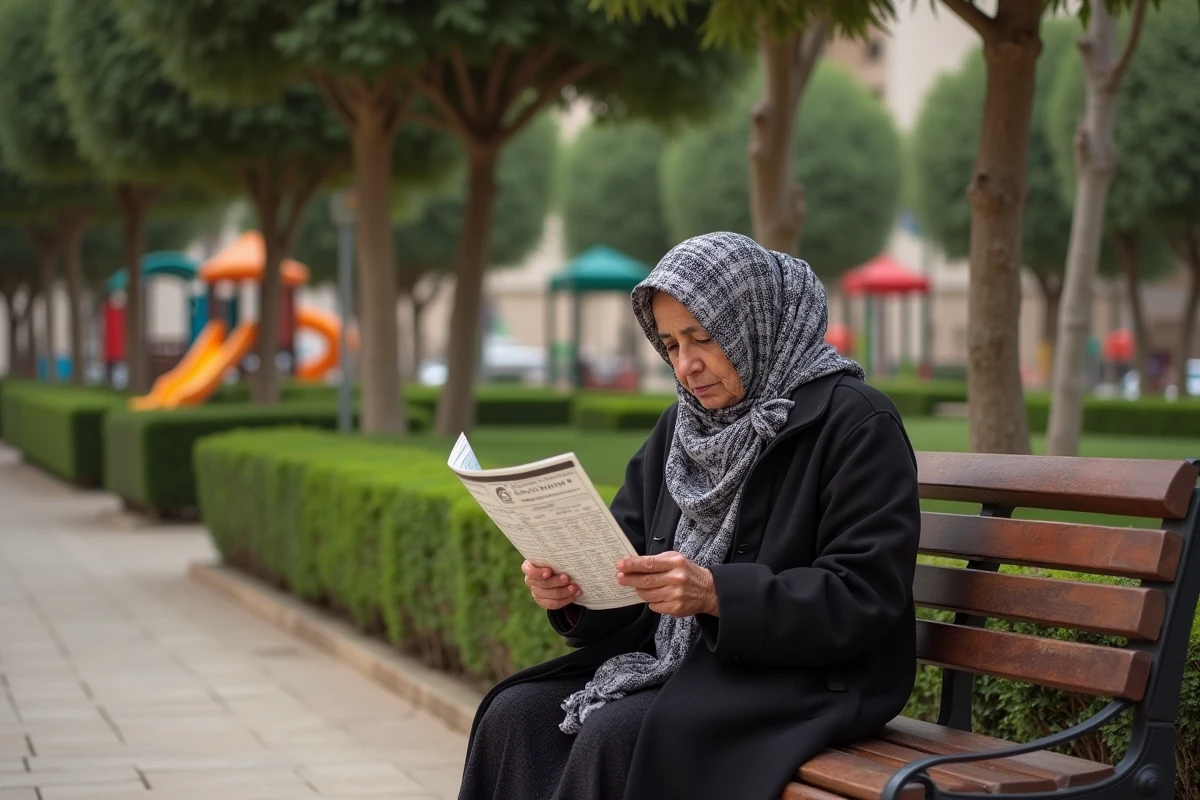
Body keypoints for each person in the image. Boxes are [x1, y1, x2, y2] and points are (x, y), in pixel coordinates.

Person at [457, 232, 921, 800]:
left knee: (617, 734)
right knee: (515, 715)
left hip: (810, 676)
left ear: (752, 325)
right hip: (688, 665)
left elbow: (864, 594)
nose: (686, 366)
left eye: (703, 338)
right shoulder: (682, 427)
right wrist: (573, 591)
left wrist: (715, 594)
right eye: (671, 344)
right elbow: (626, 558)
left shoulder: (855, 422)